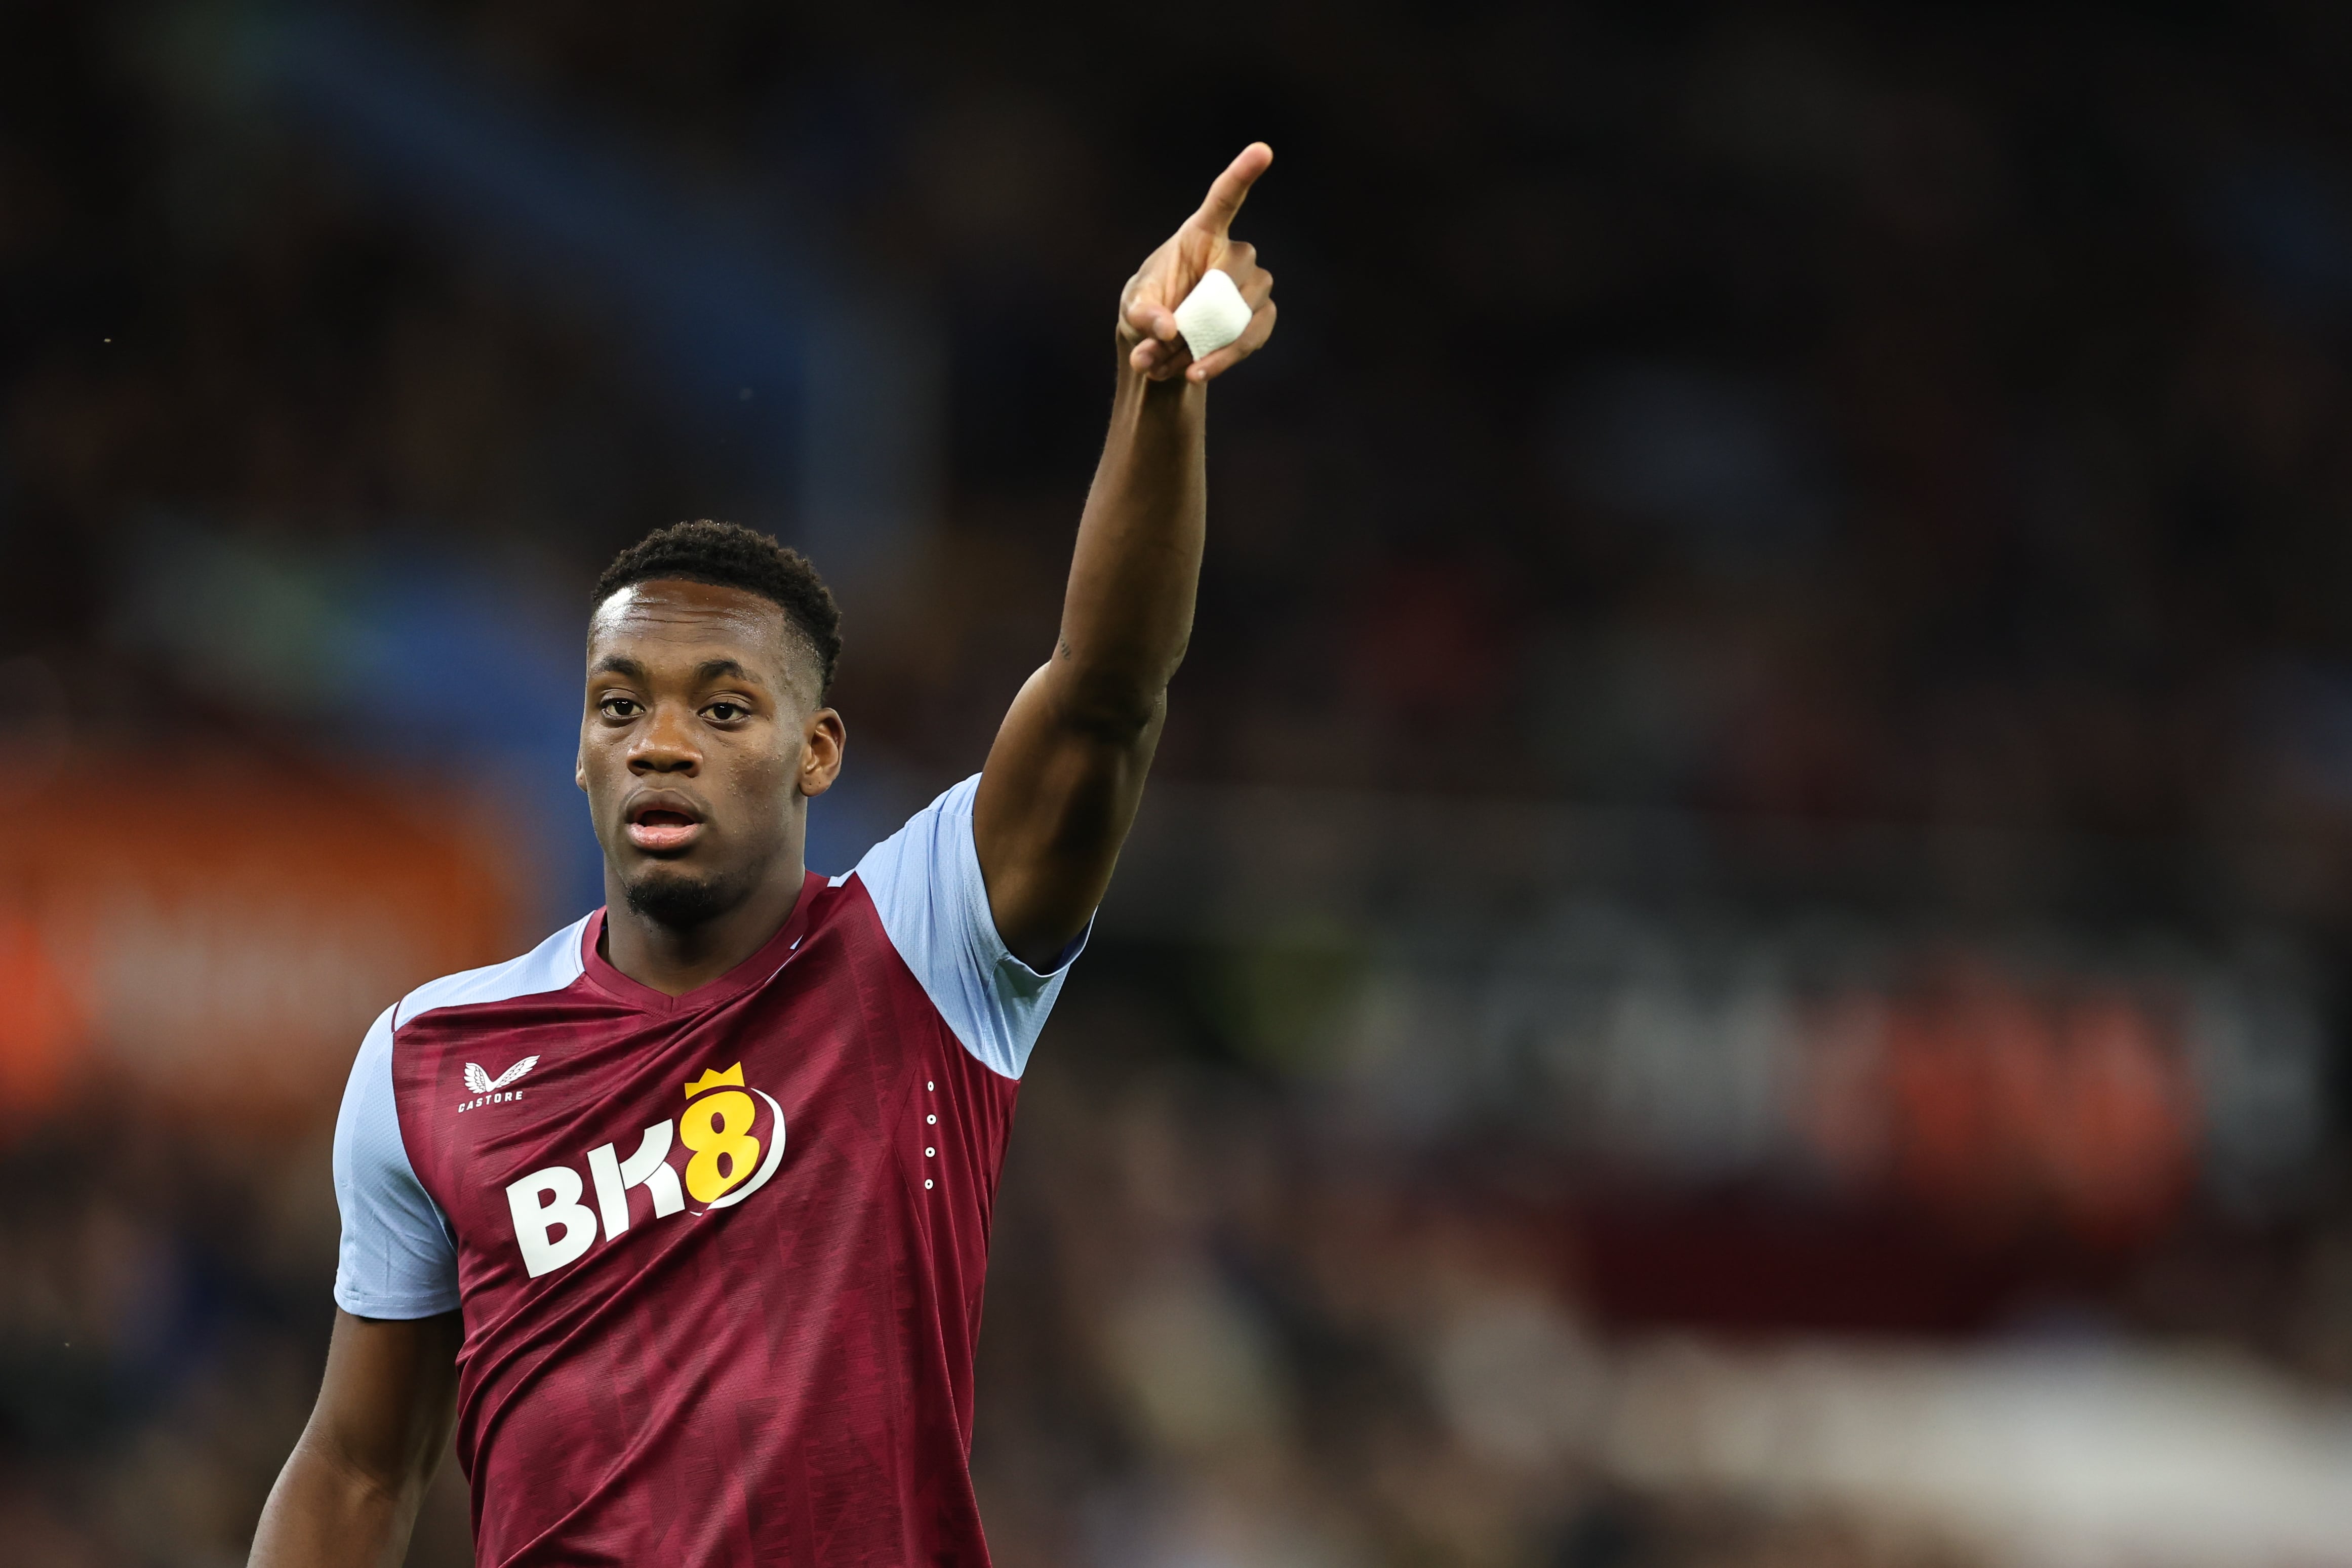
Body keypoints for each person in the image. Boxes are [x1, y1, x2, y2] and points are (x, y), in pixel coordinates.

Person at [247, 143, 1277, 1567]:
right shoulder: (432, 1058)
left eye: (724, 708)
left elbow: (1105, 699)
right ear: (581, 751)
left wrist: (1156, 397)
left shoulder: (923, 949)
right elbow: (359, 1469)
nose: (662, 742)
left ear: (818, 751)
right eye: (622, 708)